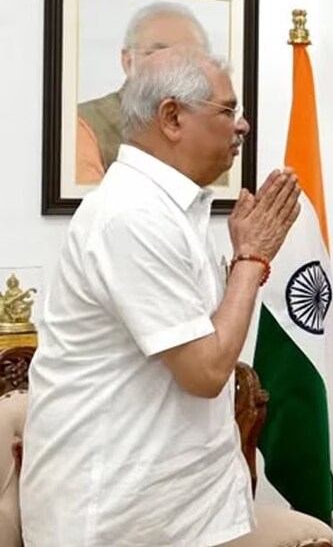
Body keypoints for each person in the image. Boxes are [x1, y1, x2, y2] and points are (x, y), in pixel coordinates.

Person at [21, 47, 301, 545]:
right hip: (118, 519)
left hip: (181, 510)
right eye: (227, 110)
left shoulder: (172, 208)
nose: (243, 126)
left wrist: (244, 259)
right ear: (172, 117)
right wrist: (252, 259)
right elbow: (207, 371)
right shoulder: (132, 215)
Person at [76, 1, 211, 185]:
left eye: (190, 58)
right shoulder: (85, 123)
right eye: (158, 55)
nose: (175, 69)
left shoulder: (214, 127)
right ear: (128, 61)